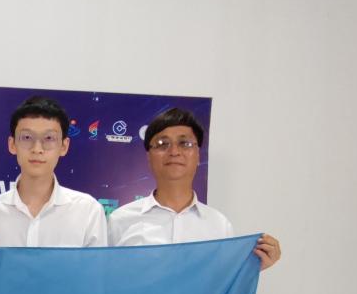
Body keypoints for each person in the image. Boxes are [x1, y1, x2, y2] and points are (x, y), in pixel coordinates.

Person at [107, 108, 281, 268]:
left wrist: (252, 268)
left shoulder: (219, 225)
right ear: (149, 157)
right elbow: (107, 281)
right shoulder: (120, 221)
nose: (174, 152)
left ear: (198, 155)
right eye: (162, 143)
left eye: (185, 143)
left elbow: (222, 282)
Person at [0, 96, 106, 248]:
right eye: (27, 137)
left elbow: (96, 264)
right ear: (12, 144)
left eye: (49, 138)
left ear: (64, 146)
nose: (37, 149)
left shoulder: (88, 212)